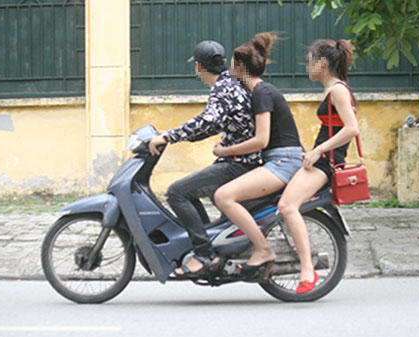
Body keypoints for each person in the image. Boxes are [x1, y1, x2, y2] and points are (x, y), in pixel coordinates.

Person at [148, 40, 261, 277]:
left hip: (237, 164)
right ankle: (210, 243)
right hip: (240, 160)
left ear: (199, 66)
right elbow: (212, 125)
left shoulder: (222, 88)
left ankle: (203, 254)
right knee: (191, 191)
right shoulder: (230, 83)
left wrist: (168, 136)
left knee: (177, 192)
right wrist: (176, 137)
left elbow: (207, 121)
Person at [213, 32, 303, 277]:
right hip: (278, 159)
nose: (228, 68)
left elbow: (261, 140)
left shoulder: (262, 93)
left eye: (232, 63)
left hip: (285, 161)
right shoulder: (257, 92)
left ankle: (263, 250)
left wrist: (225, 151)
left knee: (224, 196)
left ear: (240, 66)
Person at [277, 39, 360, 294]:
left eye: (309, 61)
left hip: (326, 163)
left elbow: (352, 128)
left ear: (322, 63)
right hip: (321, 159)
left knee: (287, 206)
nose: (306, 66)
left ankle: (307, 270)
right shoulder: (332, 89)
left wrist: (318, 151)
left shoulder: (338, 91)